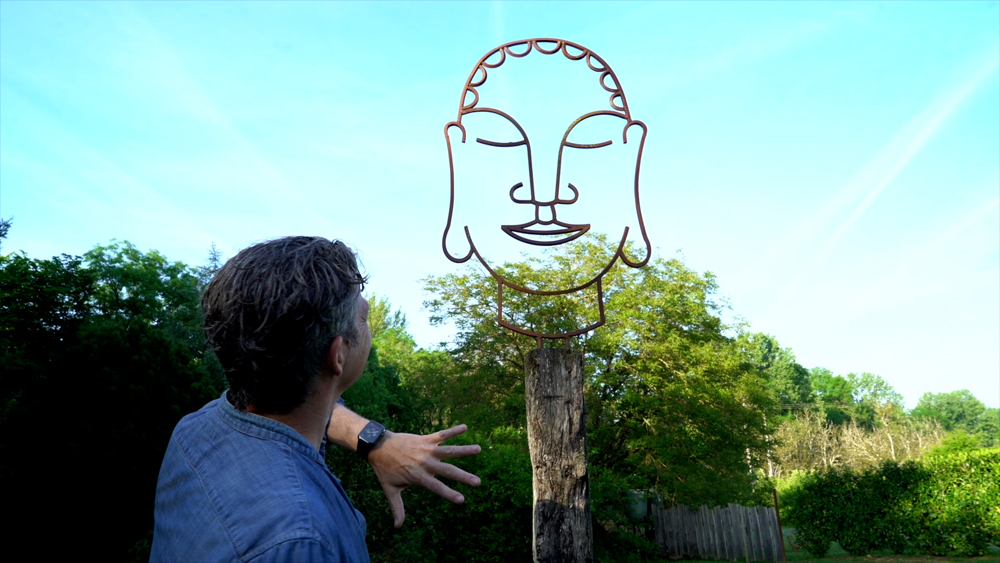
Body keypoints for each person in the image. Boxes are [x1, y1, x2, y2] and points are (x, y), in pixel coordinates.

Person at [151, 236, 481, 562]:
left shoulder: (194, 430)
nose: (367, 324)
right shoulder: (303, 542)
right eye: (363, 316)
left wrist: (373, 441)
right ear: (337, 356)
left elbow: (302, 408)